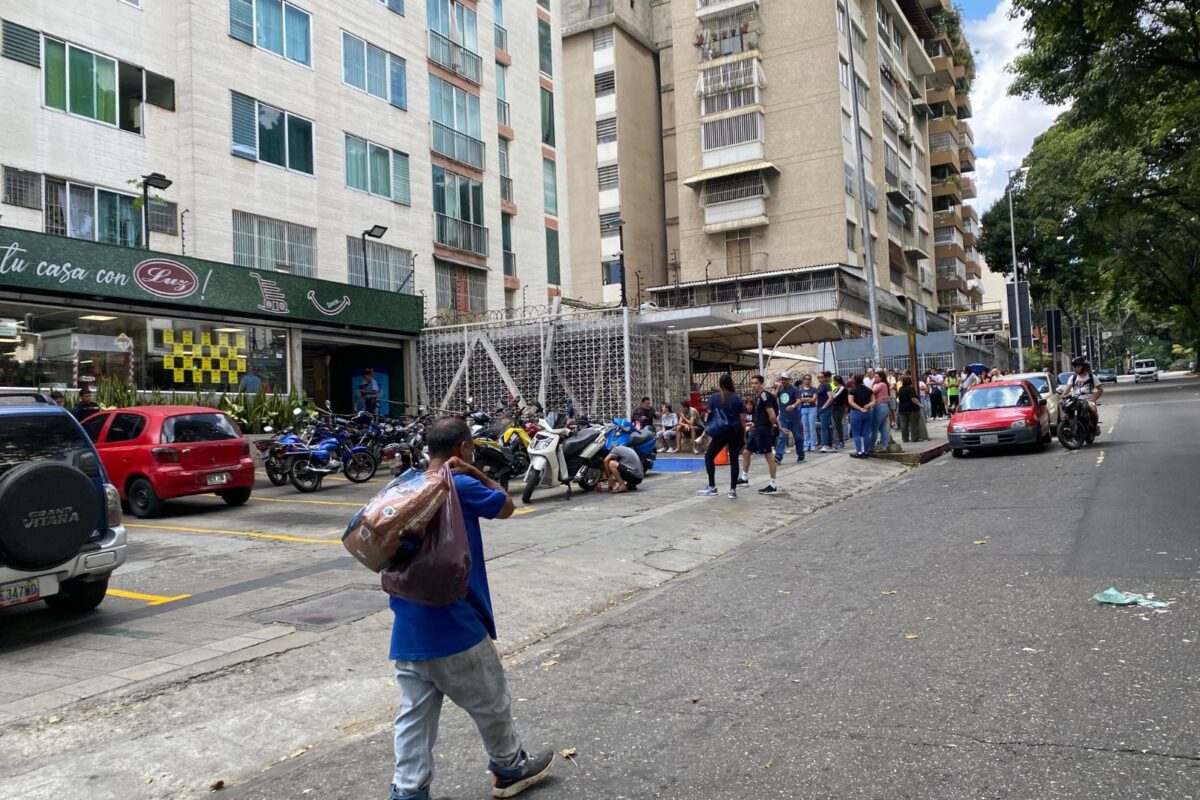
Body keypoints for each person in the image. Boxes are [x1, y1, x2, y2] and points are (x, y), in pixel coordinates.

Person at [388, 418, 553, 800]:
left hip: (408, 625)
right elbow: (506, 505)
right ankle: (509, 769)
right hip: (455, 623)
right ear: (463, 449)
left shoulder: (405, 485)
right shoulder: (458, 484)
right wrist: (476, 471)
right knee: (492, 702)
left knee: (413, 718)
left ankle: (408, 791)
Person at [697, 374, 748, 500]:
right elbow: (742, 419)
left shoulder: (715, 397)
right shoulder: (737, 398)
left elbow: (709, 415)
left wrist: (709, 430)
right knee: (734, 459)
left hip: (721, 430)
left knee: (709, 456)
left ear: (720, 384)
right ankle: (732, 490)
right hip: (735, 430)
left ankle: (712, 487)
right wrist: (743, 436)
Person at [740, 375, 781, 494]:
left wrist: (771, 427)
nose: (753, 385)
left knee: (769, 456)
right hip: (756, 428)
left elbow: (772, 415)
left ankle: (773, 485)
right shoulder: (759, 396)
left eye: (756, 383)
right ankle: (744, 478)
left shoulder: (764, 396)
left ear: (761, 384)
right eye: (752, 383)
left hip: (762, 430)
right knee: (746, 452)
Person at [1061, 356, 1103, 429]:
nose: (1076, 368)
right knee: (1066, 409)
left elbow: (1100, 390)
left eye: (1079, 366)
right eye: (1075, 366)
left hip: (1088, 400)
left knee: (1093, 409)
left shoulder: (1092, 377)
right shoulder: (1072, 378)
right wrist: (1063, 397)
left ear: (1084, 366)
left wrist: (1093, 400)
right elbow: (1067, 390)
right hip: (1076, 399)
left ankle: (1095, 426)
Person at [773, 373, 805, 464]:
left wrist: (793, 406)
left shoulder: (794, 389)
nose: (783, 381)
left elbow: (799, 401)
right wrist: (777, 388)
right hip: (783, 417)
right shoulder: (780, 389)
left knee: (798, 437)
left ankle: (801, 455)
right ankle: (778, 457)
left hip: (794, 417)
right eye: (782, 379)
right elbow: (773, 398)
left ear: (789, 380)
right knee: (782, 436)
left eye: (785, 379)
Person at [847, 373, 876, 458]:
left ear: (854, 380)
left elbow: (850, 401)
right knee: (866, 433)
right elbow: (874, 401)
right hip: (868, 412)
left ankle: (859, 452)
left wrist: (860, 408)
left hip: (856, 412)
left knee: (856, 434)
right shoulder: (868, 389)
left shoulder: (852, 390)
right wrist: (868, 405)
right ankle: (866, 452)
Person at [869, 368, 891, 452]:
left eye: (877, 377)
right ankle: (885, 446)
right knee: (882, 428)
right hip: (884, 407)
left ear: (881, 377)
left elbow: (872, 391)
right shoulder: (884, 384)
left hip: (879, 407)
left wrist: (873, 384)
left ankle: (871, 447)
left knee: (874, 428)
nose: (875, 378)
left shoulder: (881, 384)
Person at [796, 374, 819, 454]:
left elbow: (814, 399)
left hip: (812, 409)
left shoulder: (814, 389)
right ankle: (806, 444)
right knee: (805, 428)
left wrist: (804, 400)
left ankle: (813, 444)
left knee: (812, 427)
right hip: (803, 409)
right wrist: (809, 398)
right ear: (804, 380)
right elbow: (799, 400)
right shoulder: (800, 390)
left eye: (809, 379)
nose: (807, 380)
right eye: (806, 379)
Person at [897, 376, 922, 443]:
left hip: (902, 409)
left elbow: (899, 398)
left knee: (904, 425)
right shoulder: (911, 389)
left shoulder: (900, 389)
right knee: (913, 424)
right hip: (912, 408)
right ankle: (914, 438)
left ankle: (905, 439)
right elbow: (913, 398)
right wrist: (919, 404)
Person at [815, 372, 834, 453]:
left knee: (824, 427)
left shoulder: (826, 385)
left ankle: (825, 445)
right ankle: (829, 445)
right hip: (820, 408)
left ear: (825, 378)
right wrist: (817, 405)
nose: (820, 379)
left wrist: (824, 406)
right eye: (818, 377)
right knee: (826, 427)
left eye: (822, 377)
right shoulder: (819, 386)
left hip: (826, 409)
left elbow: (831, 397)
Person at [829, 375, 848, 450]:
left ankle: (841, 441)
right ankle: (837, 441)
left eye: (834, 380)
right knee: (835, 425)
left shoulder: (843, 389)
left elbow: (834, 397)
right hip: (834, 407)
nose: (833, 382)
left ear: (837, 381)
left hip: (840, 407)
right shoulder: (835, 389)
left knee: (838, 424)